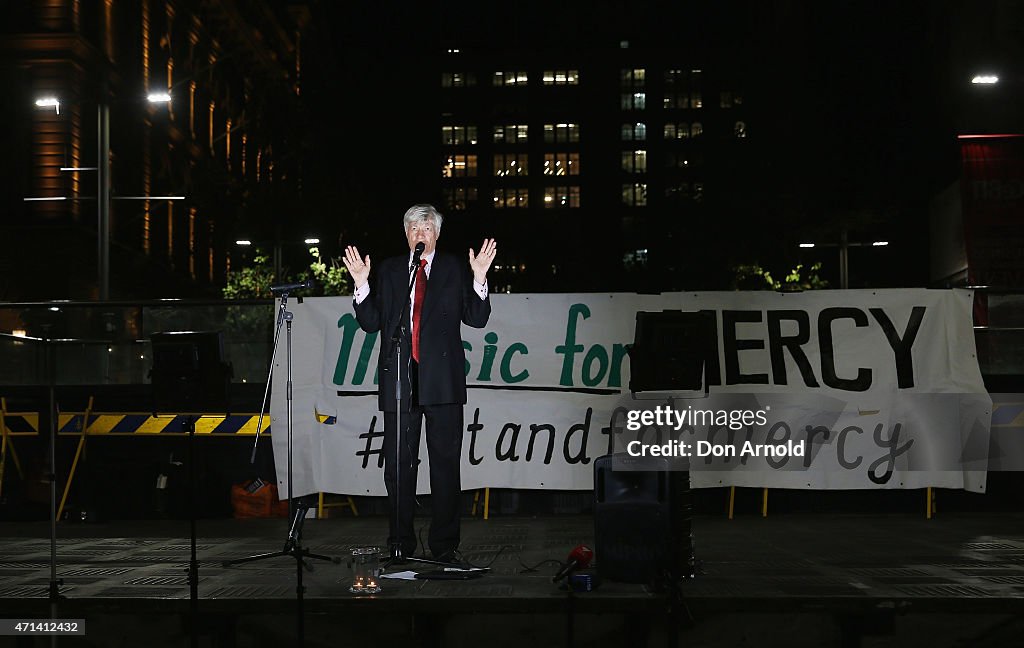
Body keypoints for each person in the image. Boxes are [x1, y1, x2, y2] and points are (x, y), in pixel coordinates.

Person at [343, 204, 496, 562]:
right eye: (413, 227)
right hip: (400, 378)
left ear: (437, 234)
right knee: (398, 466)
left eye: (426, 227)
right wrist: (362, 284)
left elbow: (477, 319)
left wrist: (479, 278)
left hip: (442, 381)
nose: (420, 233)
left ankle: (445, 546)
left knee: (444, 466)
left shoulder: (456, 267)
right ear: (406, 234)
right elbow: (371, 322)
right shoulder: (393, 269)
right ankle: (400, 543)